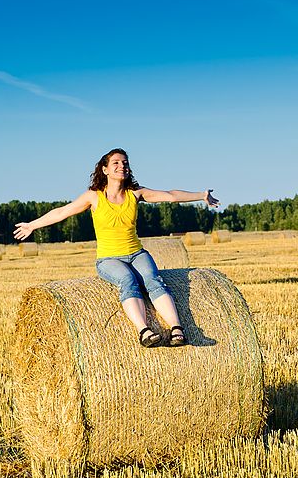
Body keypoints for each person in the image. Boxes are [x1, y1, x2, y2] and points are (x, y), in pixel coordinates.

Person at [13, 148, 219, 348]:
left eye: (125, 163)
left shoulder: (135, 194)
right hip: (109, 259)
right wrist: (32, 225)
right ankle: (144, 331)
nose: (122, 166)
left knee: (154, 281)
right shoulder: (94, 196)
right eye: (116, 163)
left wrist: (201, 195)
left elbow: (171, 195)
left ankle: (177, 329)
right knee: (127, 281)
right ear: (105, 170)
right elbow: (62, 212)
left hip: (136, 253)